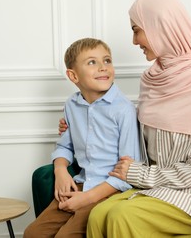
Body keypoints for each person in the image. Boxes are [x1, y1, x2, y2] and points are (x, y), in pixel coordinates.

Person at [59, 0, 191, 238]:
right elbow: (134, 129)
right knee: (99, 214)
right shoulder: (153, 79)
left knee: (121, 216)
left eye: (136, 30)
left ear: (160, 27)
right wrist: (80, 122)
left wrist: (138, 173)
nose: (134, 41)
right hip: (151, 188)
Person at [24, 38, 140, 238]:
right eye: (92, 62)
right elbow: (65, 146)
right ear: (73, 75)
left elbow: (128, 172)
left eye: (107, 60)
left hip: (109, 191)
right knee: (33, 233)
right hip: (81, 184)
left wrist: (86, 199)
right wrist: (60, 170)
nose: (103, 67)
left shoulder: (124, 110)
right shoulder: (72, 105)